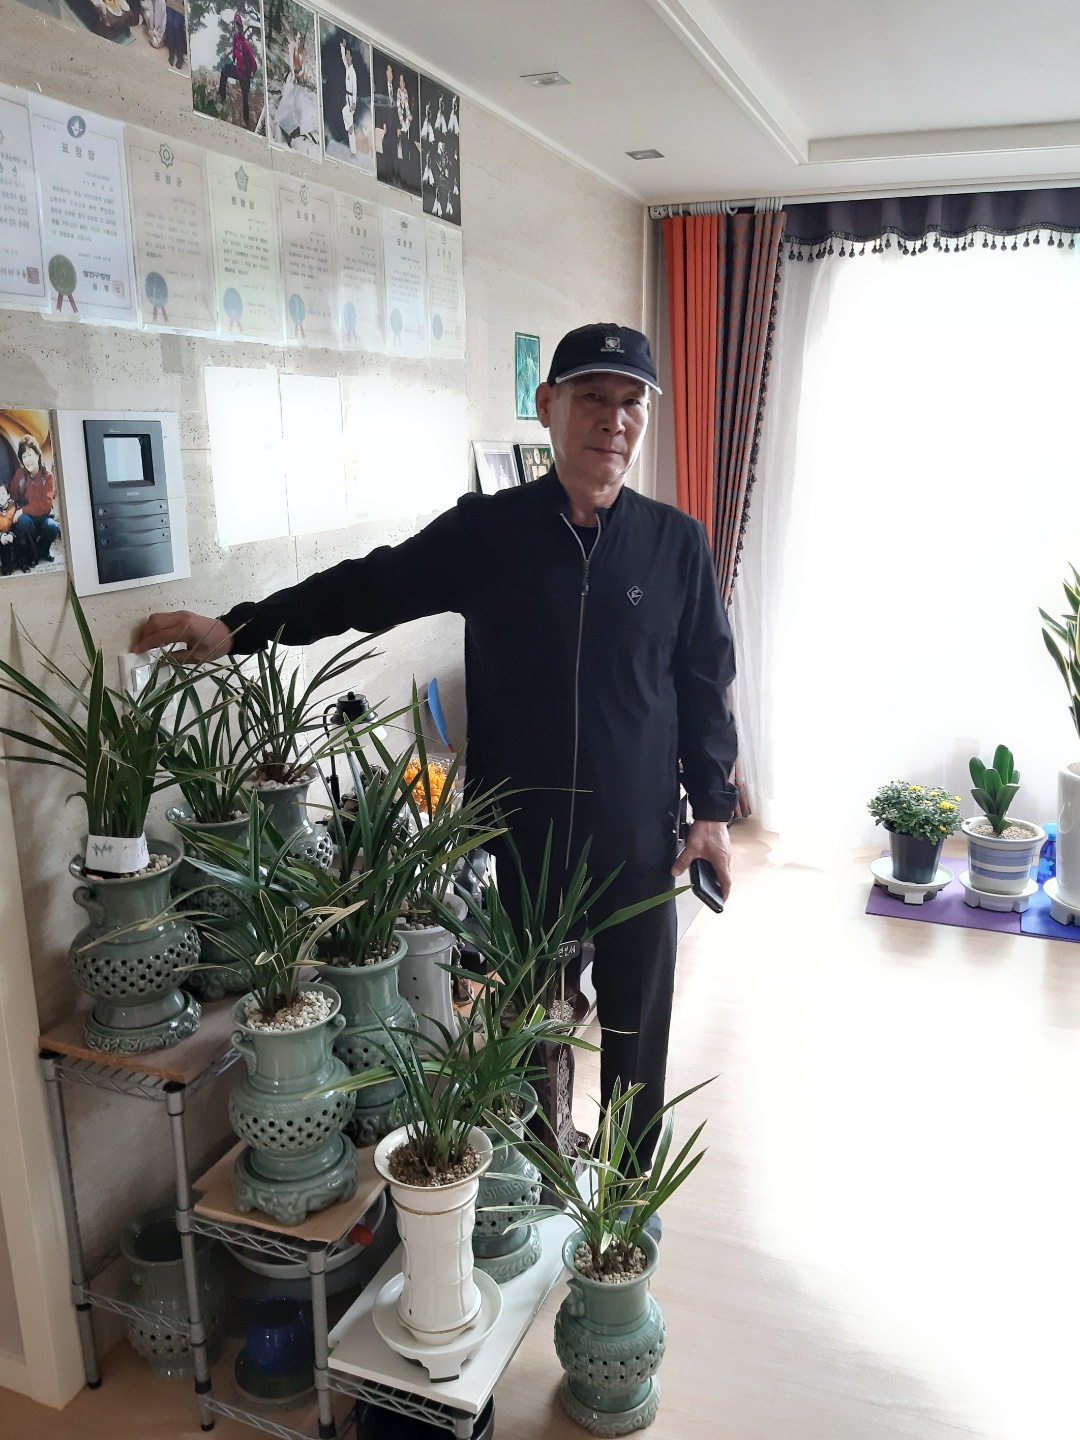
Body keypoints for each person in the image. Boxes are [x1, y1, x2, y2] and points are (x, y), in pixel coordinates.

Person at [134, 323, 737, 1167]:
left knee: (638, 1023)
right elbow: (368, 585)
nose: (614, 419)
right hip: (522, 833)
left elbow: (705, 682)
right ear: (547, 406)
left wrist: (711, 811)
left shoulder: (676, 543)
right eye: (593, 397)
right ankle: (540, 1167)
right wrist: (239, 627)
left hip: (636, 833)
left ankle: (627, 1188)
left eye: (631, 402)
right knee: (528, 1022)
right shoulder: (489, 531)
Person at [11, 436, 60, 566]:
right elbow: (13, 495)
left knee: (52, 527)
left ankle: (43, 550)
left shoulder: (47, 476)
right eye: (24, 457)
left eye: (29, 455)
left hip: (43, 516)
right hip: (26, 518)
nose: (27, 460)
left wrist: (23, 510)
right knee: (23, 523)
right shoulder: (19, 474)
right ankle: (33, 555)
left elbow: (46, 505)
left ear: (37, 455)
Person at [218, 12, 258, 129]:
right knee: (224, 69)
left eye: (239, 25)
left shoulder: (245, 44)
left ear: (242, 26)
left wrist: (251, 74)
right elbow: (234, 51)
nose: (237, 27)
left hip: (245, 76)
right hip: (238, 70)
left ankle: (246, 121)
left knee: (245, 100)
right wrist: (233, 61)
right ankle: (222, 96)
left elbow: (253, 62)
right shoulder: (236, 38)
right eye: (236, 25)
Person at [340, 38, 358, 155]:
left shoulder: (352, 72)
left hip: (351, 99)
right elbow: (343, 59)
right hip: (347, 97)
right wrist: (343, 47)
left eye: (348, 55)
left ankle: (353, 151)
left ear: (351, 57)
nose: (347, 57)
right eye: (346, 55)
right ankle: (350, 126)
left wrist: (354, 102)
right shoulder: (347, 68)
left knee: (347, 117)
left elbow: (355, 87)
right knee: (345, 115)